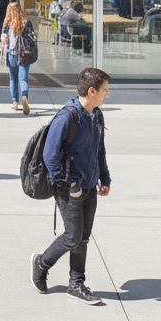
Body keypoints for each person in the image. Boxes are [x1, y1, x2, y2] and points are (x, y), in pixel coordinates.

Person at [31, 67, 111, 305]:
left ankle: (76, 284)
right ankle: (41, 264)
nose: (108, 94)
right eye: (105, 90)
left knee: (83, 238)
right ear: (92, 90)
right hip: (71, 188)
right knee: (72, 236)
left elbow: (99, 149)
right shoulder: (68, 116)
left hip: (89, 185)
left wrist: (104, 178)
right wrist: (66, 184)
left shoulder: (96, 115)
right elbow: (50, 153)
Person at [1, 1, 36, 114]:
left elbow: (4, 40)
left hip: (12, 55)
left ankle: (15, 102)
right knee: (23, 78)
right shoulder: (26, 23)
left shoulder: (7, 25)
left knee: (13, 78)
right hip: (24, 54)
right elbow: (34, 37)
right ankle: (24, 96)